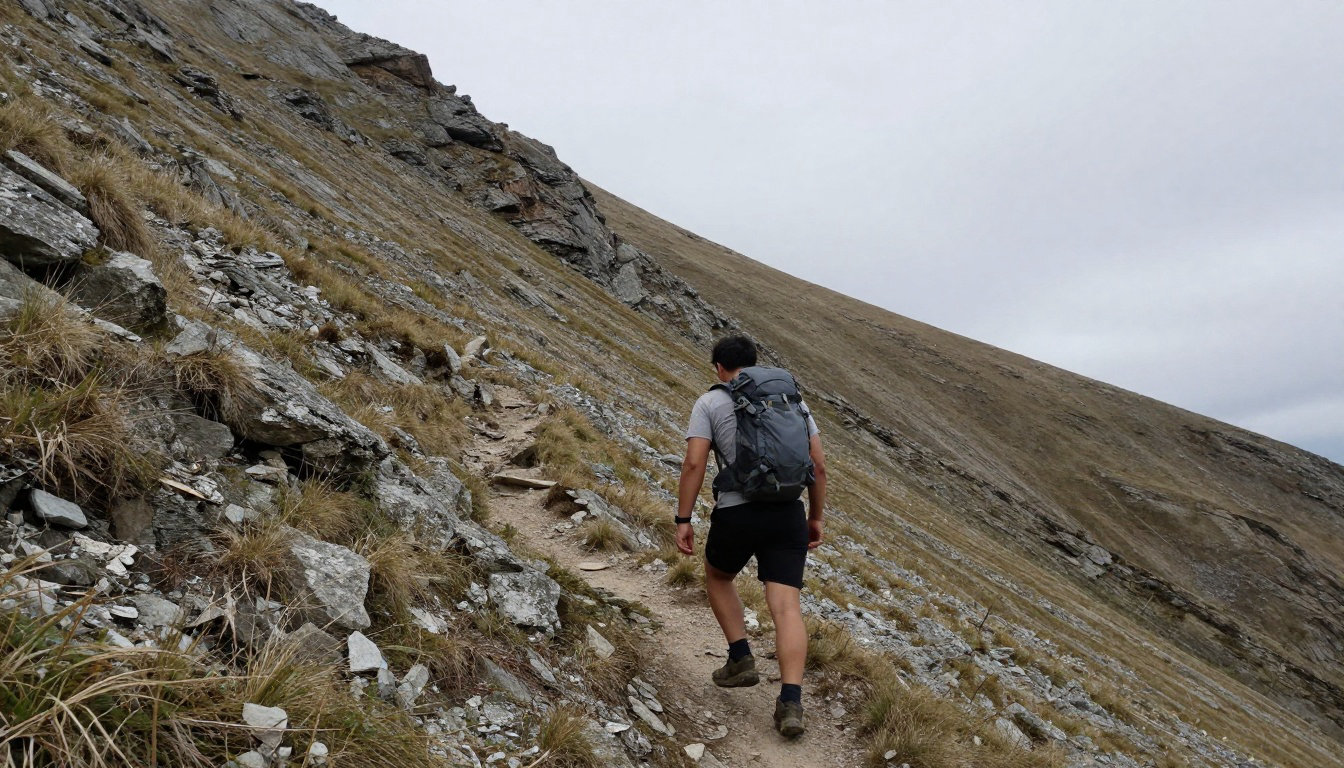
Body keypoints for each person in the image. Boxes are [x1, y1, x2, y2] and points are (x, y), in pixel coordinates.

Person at [675, 334, 827, 739]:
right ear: (755, 363)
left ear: (719, 368)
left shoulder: (710, 401)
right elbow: (818, 465)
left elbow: (694, 463)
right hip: (788, 512)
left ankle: (741, 657)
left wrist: (683, 518)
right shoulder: (791, 401)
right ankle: (791, 702)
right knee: (787, 606)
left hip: (737, 512)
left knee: (718, 575)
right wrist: (815, 517)